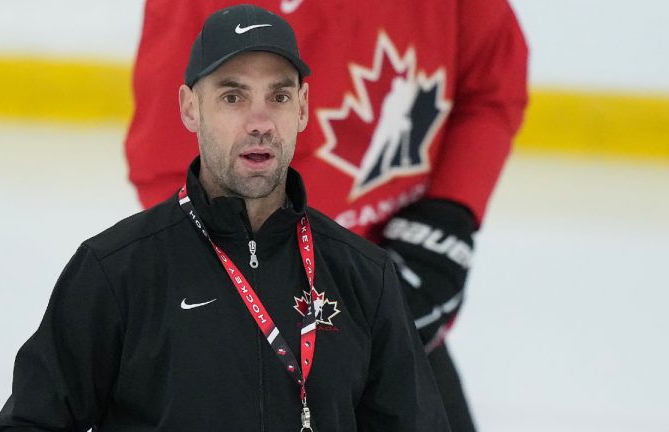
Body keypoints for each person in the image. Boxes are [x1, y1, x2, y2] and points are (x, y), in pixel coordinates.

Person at [0, 5, 451, 431]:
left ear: (304, 107)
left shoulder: (365, 279)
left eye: (279, 96)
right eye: (233, 96)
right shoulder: (117, 271)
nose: (260, 122)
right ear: (190, 108)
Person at [124, 1, 528, 429]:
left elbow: (490, 82)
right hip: (261, 327)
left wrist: (449, 215)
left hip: (390, 298)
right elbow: (165, 162)